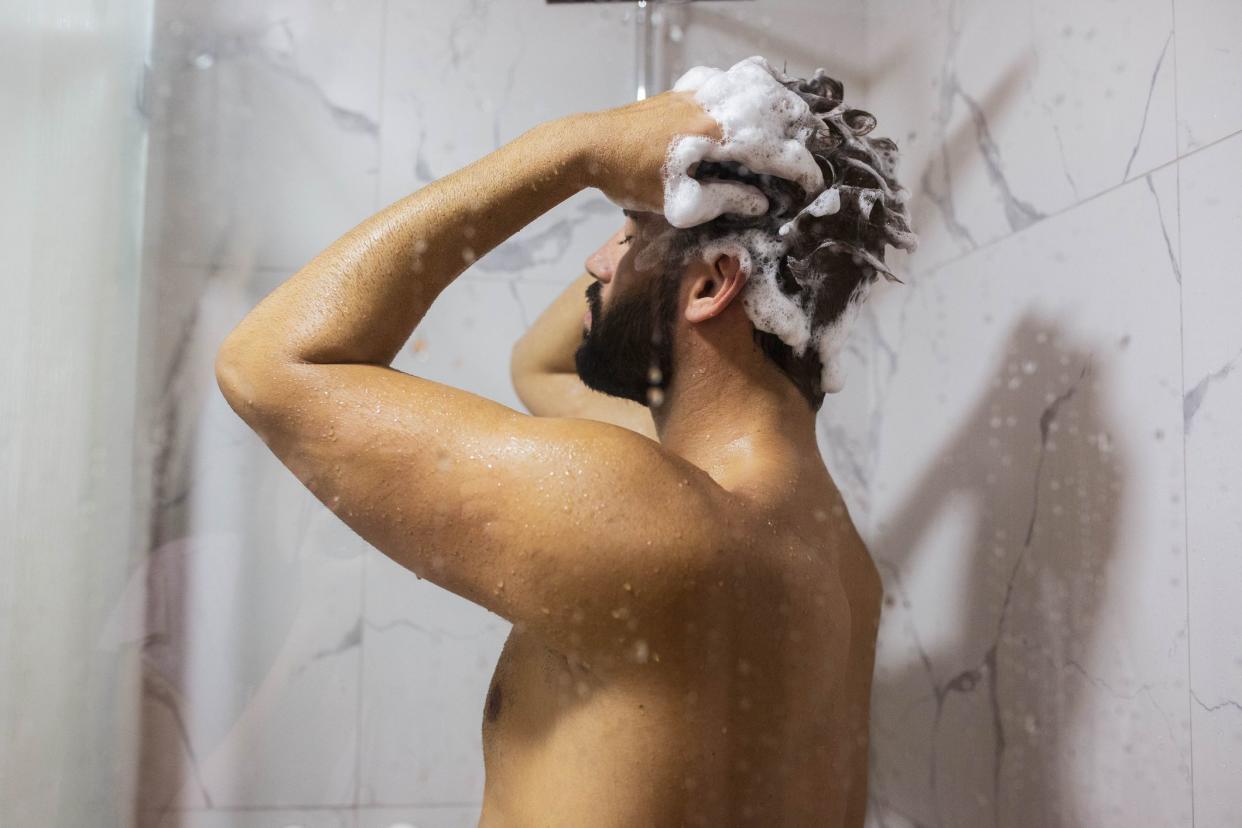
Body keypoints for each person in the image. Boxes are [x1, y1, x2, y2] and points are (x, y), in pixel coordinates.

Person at [216, 79, 889, 827]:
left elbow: (269, 364)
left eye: (628, 233)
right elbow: (543, 368)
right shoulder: (832, 554)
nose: (599, 263)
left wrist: (579, 148)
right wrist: (699, 175)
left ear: (710, 283)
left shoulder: (659, 522)